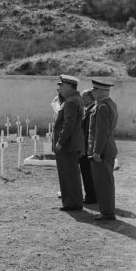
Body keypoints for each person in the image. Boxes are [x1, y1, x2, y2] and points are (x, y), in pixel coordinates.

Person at [88, 79, 118, 221]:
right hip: (108, 147)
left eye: (94, 90)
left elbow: (101, 132)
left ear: (101, 91)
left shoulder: (102, 107)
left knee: (103, 183)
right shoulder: (110, 104)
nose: (92, 92)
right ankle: (107, 211)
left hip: (103, 150)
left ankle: (107, 213)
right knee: (106, 182)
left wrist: (97, 152)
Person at [52, 74, 84, 211]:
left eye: (63, 85)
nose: (60, 88)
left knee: (68, 174)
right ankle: (74, 202)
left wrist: (60, 142)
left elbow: (68, 124)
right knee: (72, 174)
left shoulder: (71, 101)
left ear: (70, 86)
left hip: (67, 145)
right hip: (72, 144)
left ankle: (72, 203)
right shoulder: (75, 99)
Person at [79, 89, 97, 205]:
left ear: (90, 98)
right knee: (87, 173)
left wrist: (84, 148)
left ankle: (91, 197)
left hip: (87, 148)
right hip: (86, 147)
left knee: (88, 173)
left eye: (84, 98)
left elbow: (87, 132)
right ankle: (91, 196)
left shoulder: (91, 111)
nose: (82, 100)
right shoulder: (89, 110)